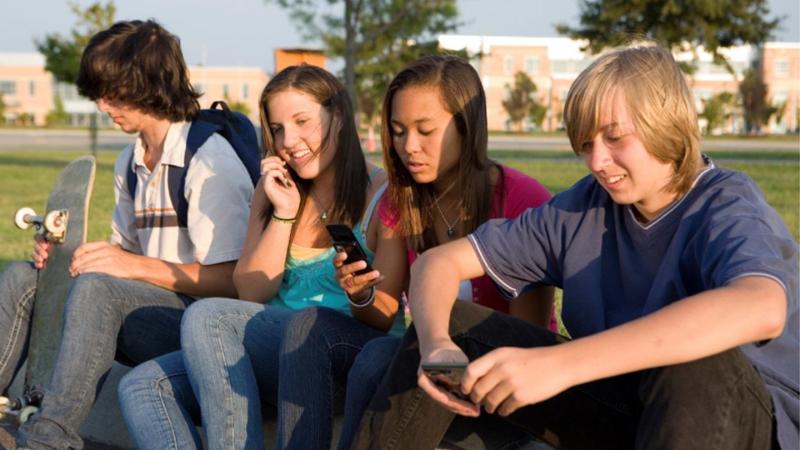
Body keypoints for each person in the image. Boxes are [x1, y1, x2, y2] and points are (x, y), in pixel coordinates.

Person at [353, 42, 799, 450]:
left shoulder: (726, 203)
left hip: (737, 421)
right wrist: (436, 345)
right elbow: (438, 263)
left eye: (614, 138)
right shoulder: (583, 207)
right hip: (621, 407)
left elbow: (762, 304)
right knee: (453, 323)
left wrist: (561, 364)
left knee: (694, 363)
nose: (597, 162)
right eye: (586, 144)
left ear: (665, 122)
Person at [117, 63, 406, 449]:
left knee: (208, 315)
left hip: (339, 359)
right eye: (277, 128)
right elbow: (252, 292)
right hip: (271, 351)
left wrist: (359, 292)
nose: (289, 140)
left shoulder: (385, 195)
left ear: (338, 117)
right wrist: (284, 212)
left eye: (302, 122)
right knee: (141, 386)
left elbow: (384, 318)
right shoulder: (270, 190)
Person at [276, 55, 554, 450]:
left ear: (467, 127)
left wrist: (444, 360)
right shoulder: (400, 200)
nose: (409, 147)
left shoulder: (521, 199)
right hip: (427, 356)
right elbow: (383, 313)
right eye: (398, 131)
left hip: (504, 379)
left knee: (386, 361)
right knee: (343, 341)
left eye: (426, 130)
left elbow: (527, 338)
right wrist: (361, 293)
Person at [0, 20, 253, 449]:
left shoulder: (208, 160)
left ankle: (48, 439)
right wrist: (64, 259)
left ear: (149, 84)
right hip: (146, 306)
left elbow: (234, 281)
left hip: (203, 325)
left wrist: (130, 266)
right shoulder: (130, 162)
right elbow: (122, 260)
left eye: (112, 93)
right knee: (25, 278)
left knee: (99, 291)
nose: (102, 105)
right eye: (98, 93)